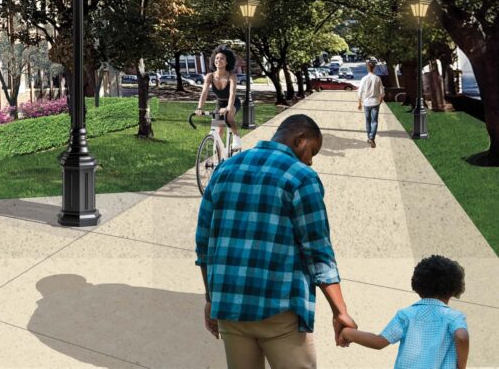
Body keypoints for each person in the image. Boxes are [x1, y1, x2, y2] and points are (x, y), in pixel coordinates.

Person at [195, 113, 355, 368]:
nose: (311, 160)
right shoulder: (302, 177)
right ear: (299, 139)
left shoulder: (224, 169)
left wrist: (211, 298)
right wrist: (340, 311)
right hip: (279, 310)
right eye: (312, 151)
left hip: (230, 308)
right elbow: (318, 252)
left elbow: (204, 244)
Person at [339, 255, 469, 369]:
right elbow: (461, 336)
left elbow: (379, 342)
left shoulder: (406, 315)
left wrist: (347, 332)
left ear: (419, 285)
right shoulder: (454, 317)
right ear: (454, 289)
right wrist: (461, 366)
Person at [195, 45, 242, 152]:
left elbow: (232, 94)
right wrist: (199, 107)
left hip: (233, 102)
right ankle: (220, 154)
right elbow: (204, 93)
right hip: (220, 104)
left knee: (228, 116)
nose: (218, 60)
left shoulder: (231, 76)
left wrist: (228, 108)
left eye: (222, 58)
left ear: (227, 62)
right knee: (218, 130)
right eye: (216, 58)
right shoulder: (210, 76)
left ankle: (236, 138)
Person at [358, 58, 385, 148]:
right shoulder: (377, 78)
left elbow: (360, 91)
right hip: (375, 102)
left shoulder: (364, 79)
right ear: (374, 68)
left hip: (366, 103)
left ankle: (369, 137)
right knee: (374, 121)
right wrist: (381, 99)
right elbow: (382, 91)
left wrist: (359, 102)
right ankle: (372, 137)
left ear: (368, 68)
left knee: (368, 121)